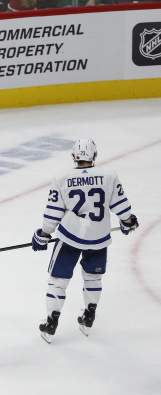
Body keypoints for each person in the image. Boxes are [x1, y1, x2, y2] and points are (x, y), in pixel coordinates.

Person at [31, 138, 138, 343]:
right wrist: (128, 221)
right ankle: (89, 316)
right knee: (93, 278)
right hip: (99, 237)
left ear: (74, 156)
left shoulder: (62, 177)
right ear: (94, 156)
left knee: (58, 281)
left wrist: (43, 235)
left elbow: (53, 212)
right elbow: (121, 204)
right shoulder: (109, 175)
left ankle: (51, 321)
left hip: (70, 236)